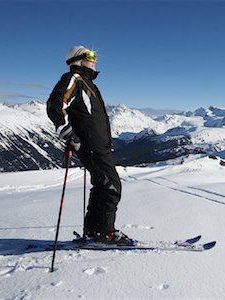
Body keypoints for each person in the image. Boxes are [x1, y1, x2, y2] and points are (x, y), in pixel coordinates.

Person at [47, 46, 132, 245]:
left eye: (95, 56)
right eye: (91, 56)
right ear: (77, 60)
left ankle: (95, 230)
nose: (95, 60)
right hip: (90, 145)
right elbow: (55, 105)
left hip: (98, 146)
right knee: (111, 186)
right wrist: (66, 131)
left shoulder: (87, 83)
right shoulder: (74, 79)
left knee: (103, 185)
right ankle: (104, 234)